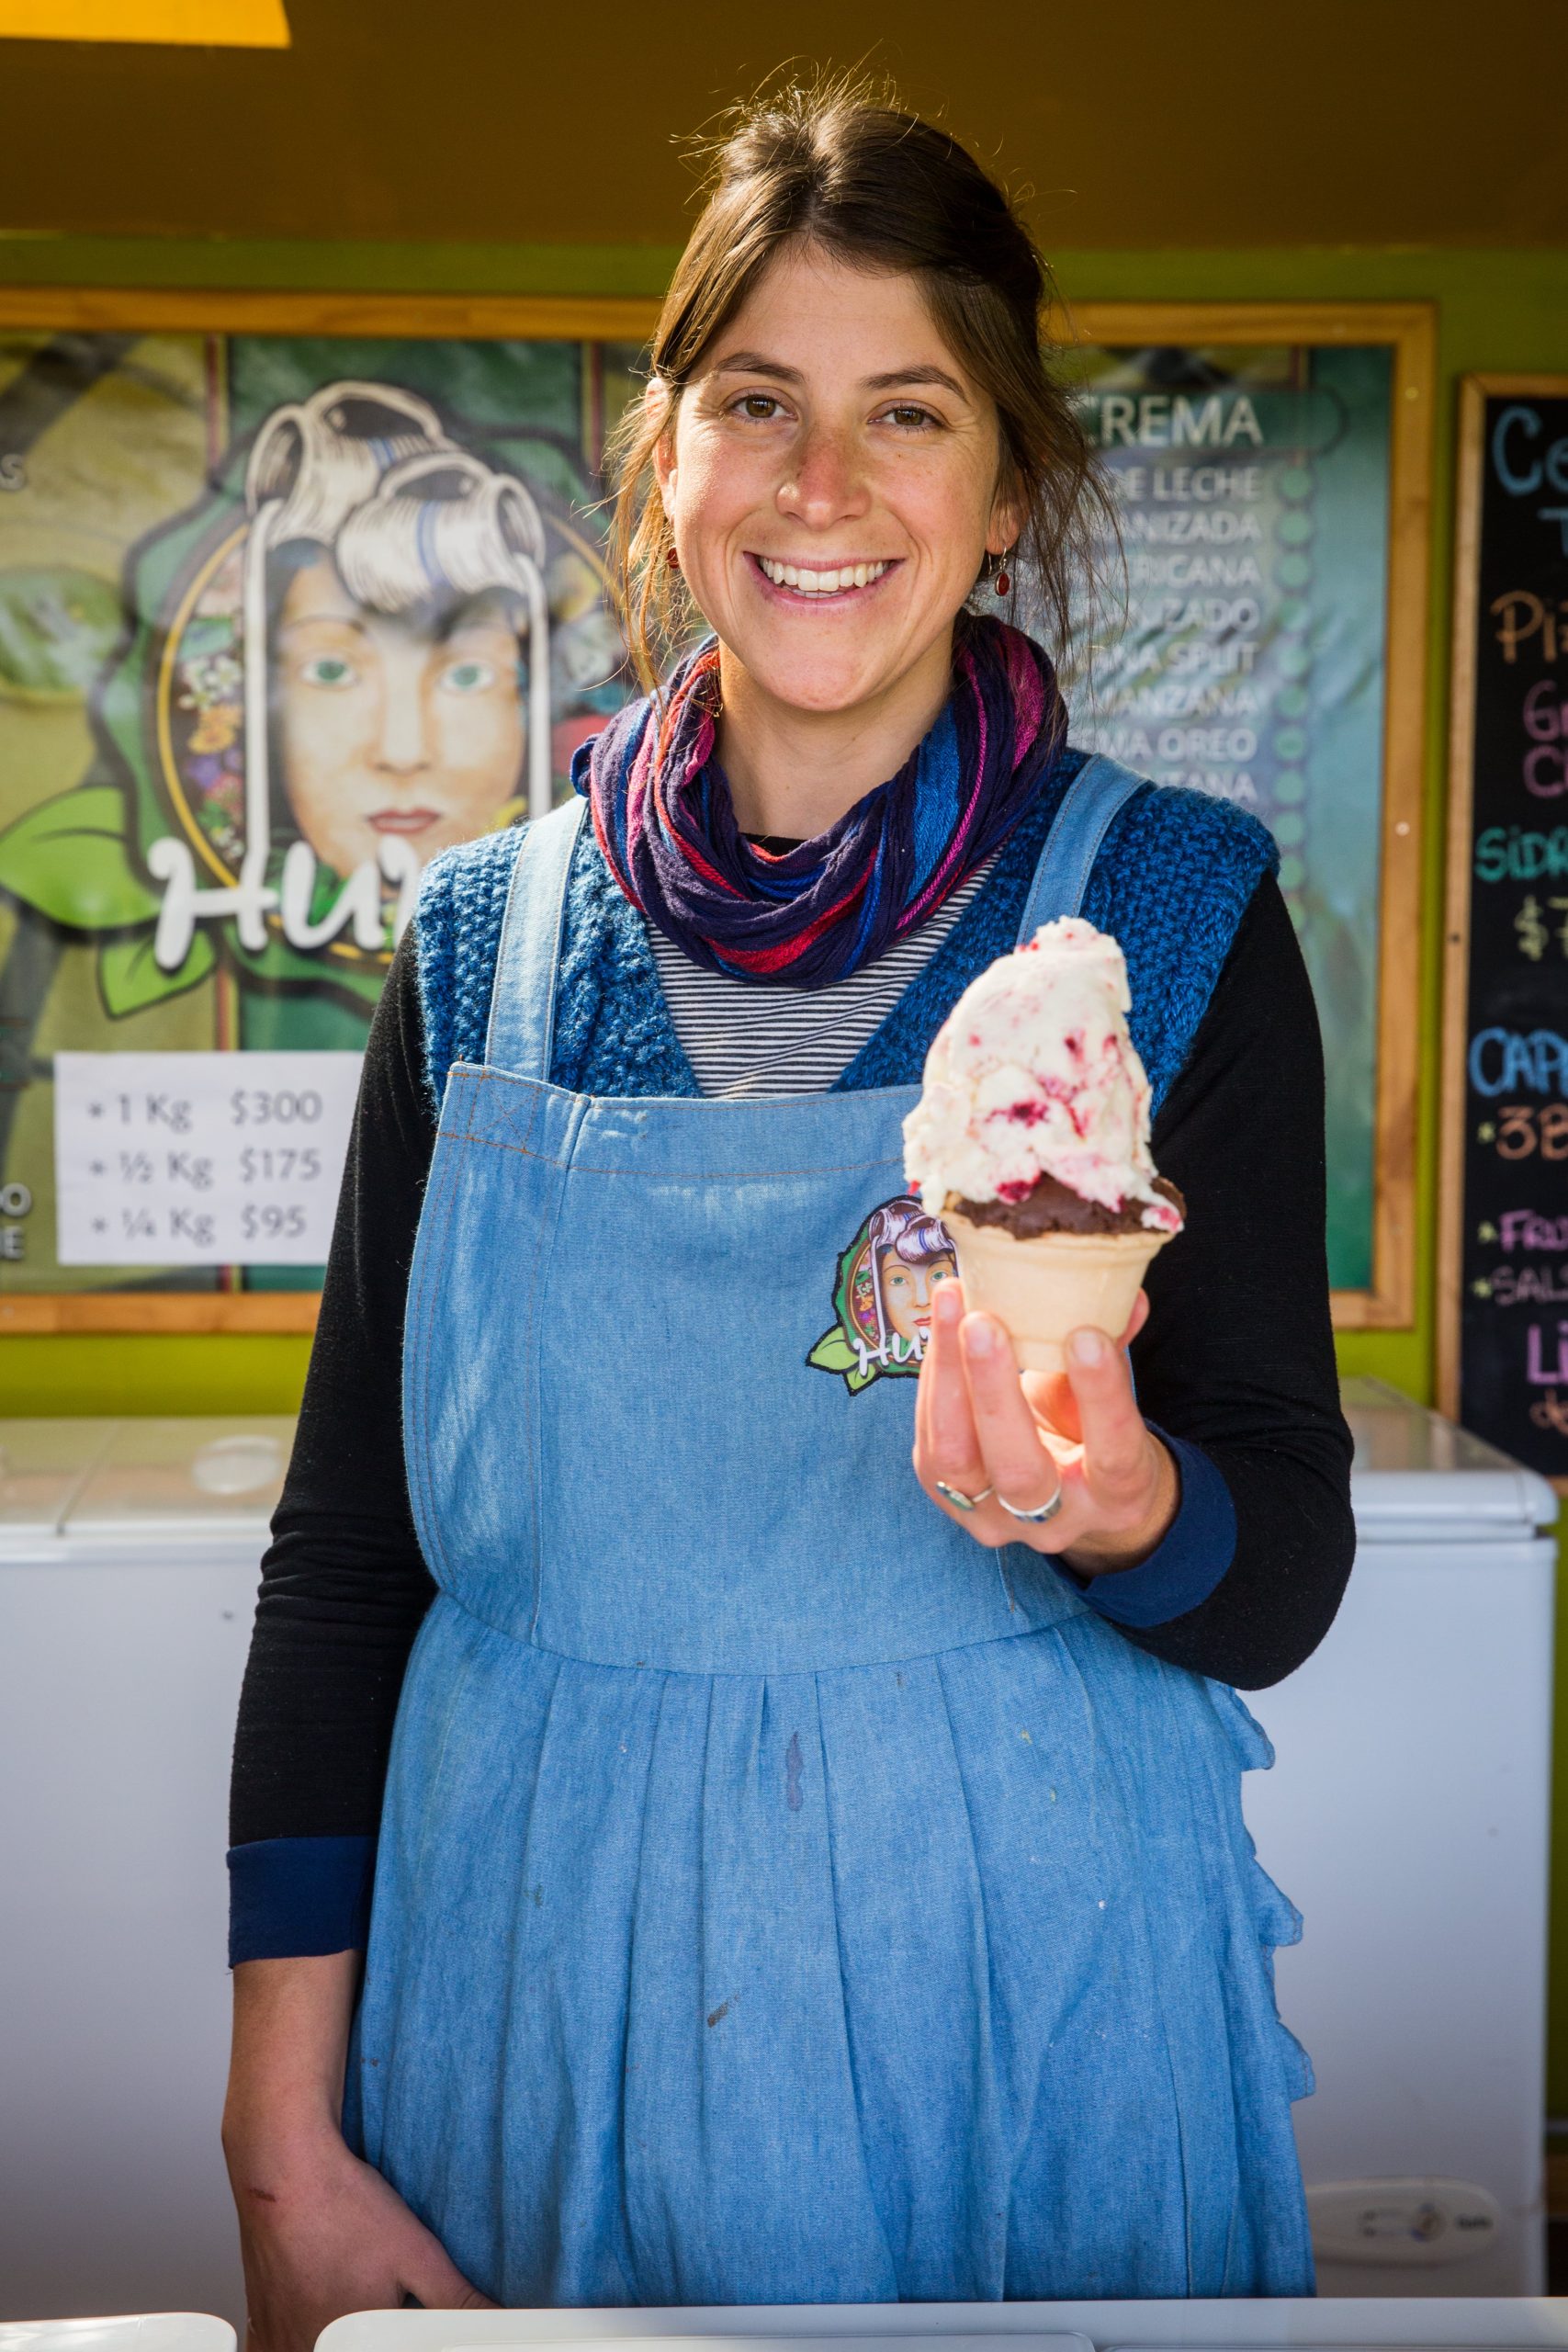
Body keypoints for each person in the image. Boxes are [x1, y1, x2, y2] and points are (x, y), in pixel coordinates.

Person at [222, 79, 1355, 2344]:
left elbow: (1281, 1563)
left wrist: (1132, 1504)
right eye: (756, 400)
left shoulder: (1165, 912)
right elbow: (351, 1545)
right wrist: (280, 2134)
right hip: (533, 1988)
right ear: (664, 450)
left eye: (906, 410)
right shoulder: (475, 946)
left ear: (1007, 476)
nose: (822, 489)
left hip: (1023, 2002)